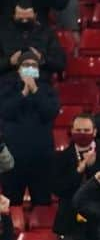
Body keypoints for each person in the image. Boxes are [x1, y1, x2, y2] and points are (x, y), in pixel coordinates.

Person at [52, 116, 100, 240]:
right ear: (71, 132)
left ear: (95, 132)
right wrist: (80, 168)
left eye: (86, 131)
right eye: (78, 130)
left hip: (97, 227)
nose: (82, 134)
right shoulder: (61, 157)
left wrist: (94, 168)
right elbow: (59, 189)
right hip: (69, 226)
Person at [0, 51, 58, 207]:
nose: (30, 68)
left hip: (41, 159)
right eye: (26, 65)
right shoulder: (7, 88)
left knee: (43, 204)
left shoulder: (47, 90)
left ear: (38, 69)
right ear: (18, 69)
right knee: (10, 206)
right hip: (12, 160)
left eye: (33, 65)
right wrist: (24, 93)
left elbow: (51, 113)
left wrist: (35, 91)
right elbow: (5, 111)